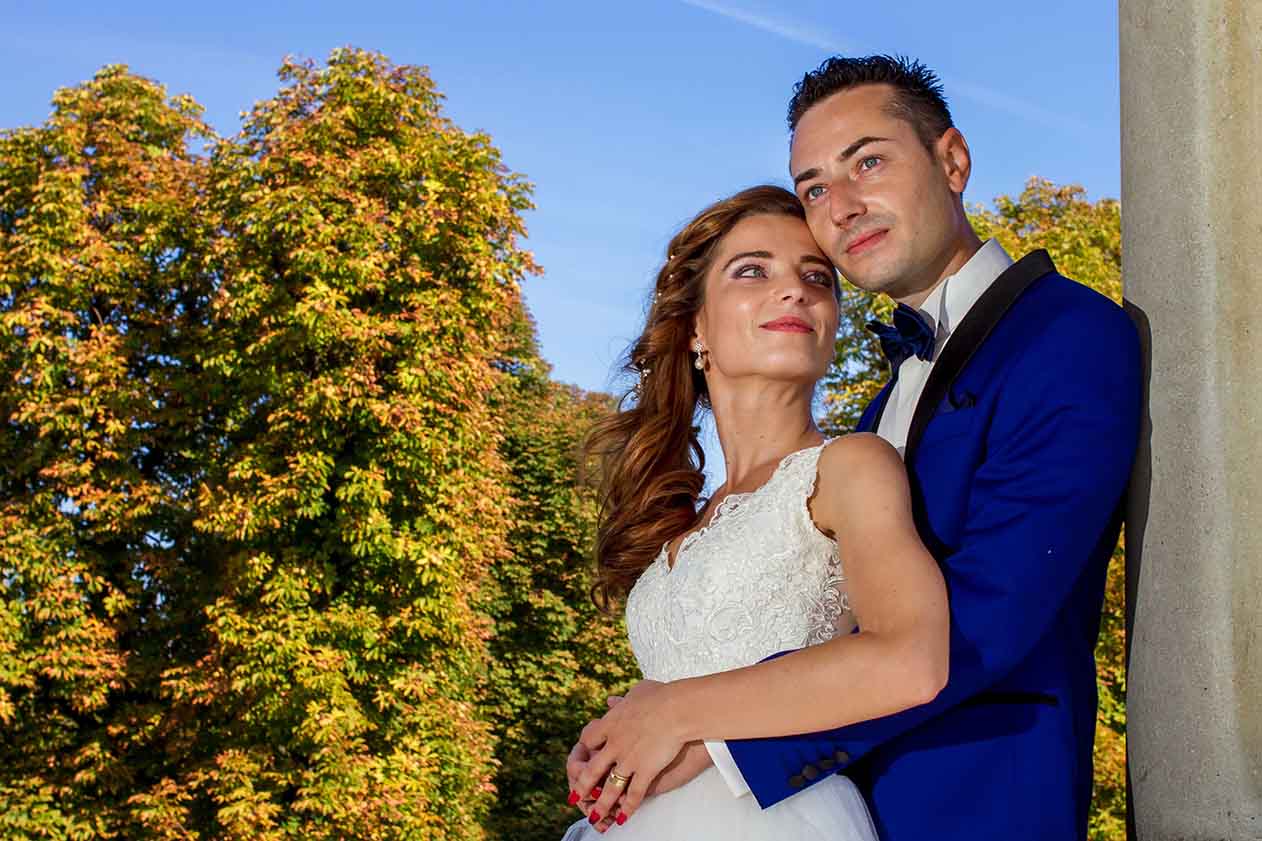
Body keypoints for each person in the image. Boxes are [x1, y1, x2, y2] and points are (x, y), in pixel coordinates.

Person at [567, 56, 1141, 841]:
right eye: (814, 187)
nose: (841, 206)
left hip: (974, 804)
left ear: (952, 160)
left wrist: (699, 723)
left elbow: (985, 619)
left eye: (868, 160)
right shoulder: (875, 411)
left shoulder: (1067, 334)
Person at [559, 184, 950, 840]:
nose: (794, 289)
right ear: (695, 328)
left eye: (815, 277)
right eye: (752, 271)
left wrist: (677, 712)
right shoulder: (685, 519)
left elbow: (913, 658)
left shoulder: (851, 466)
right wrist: (614, 742)